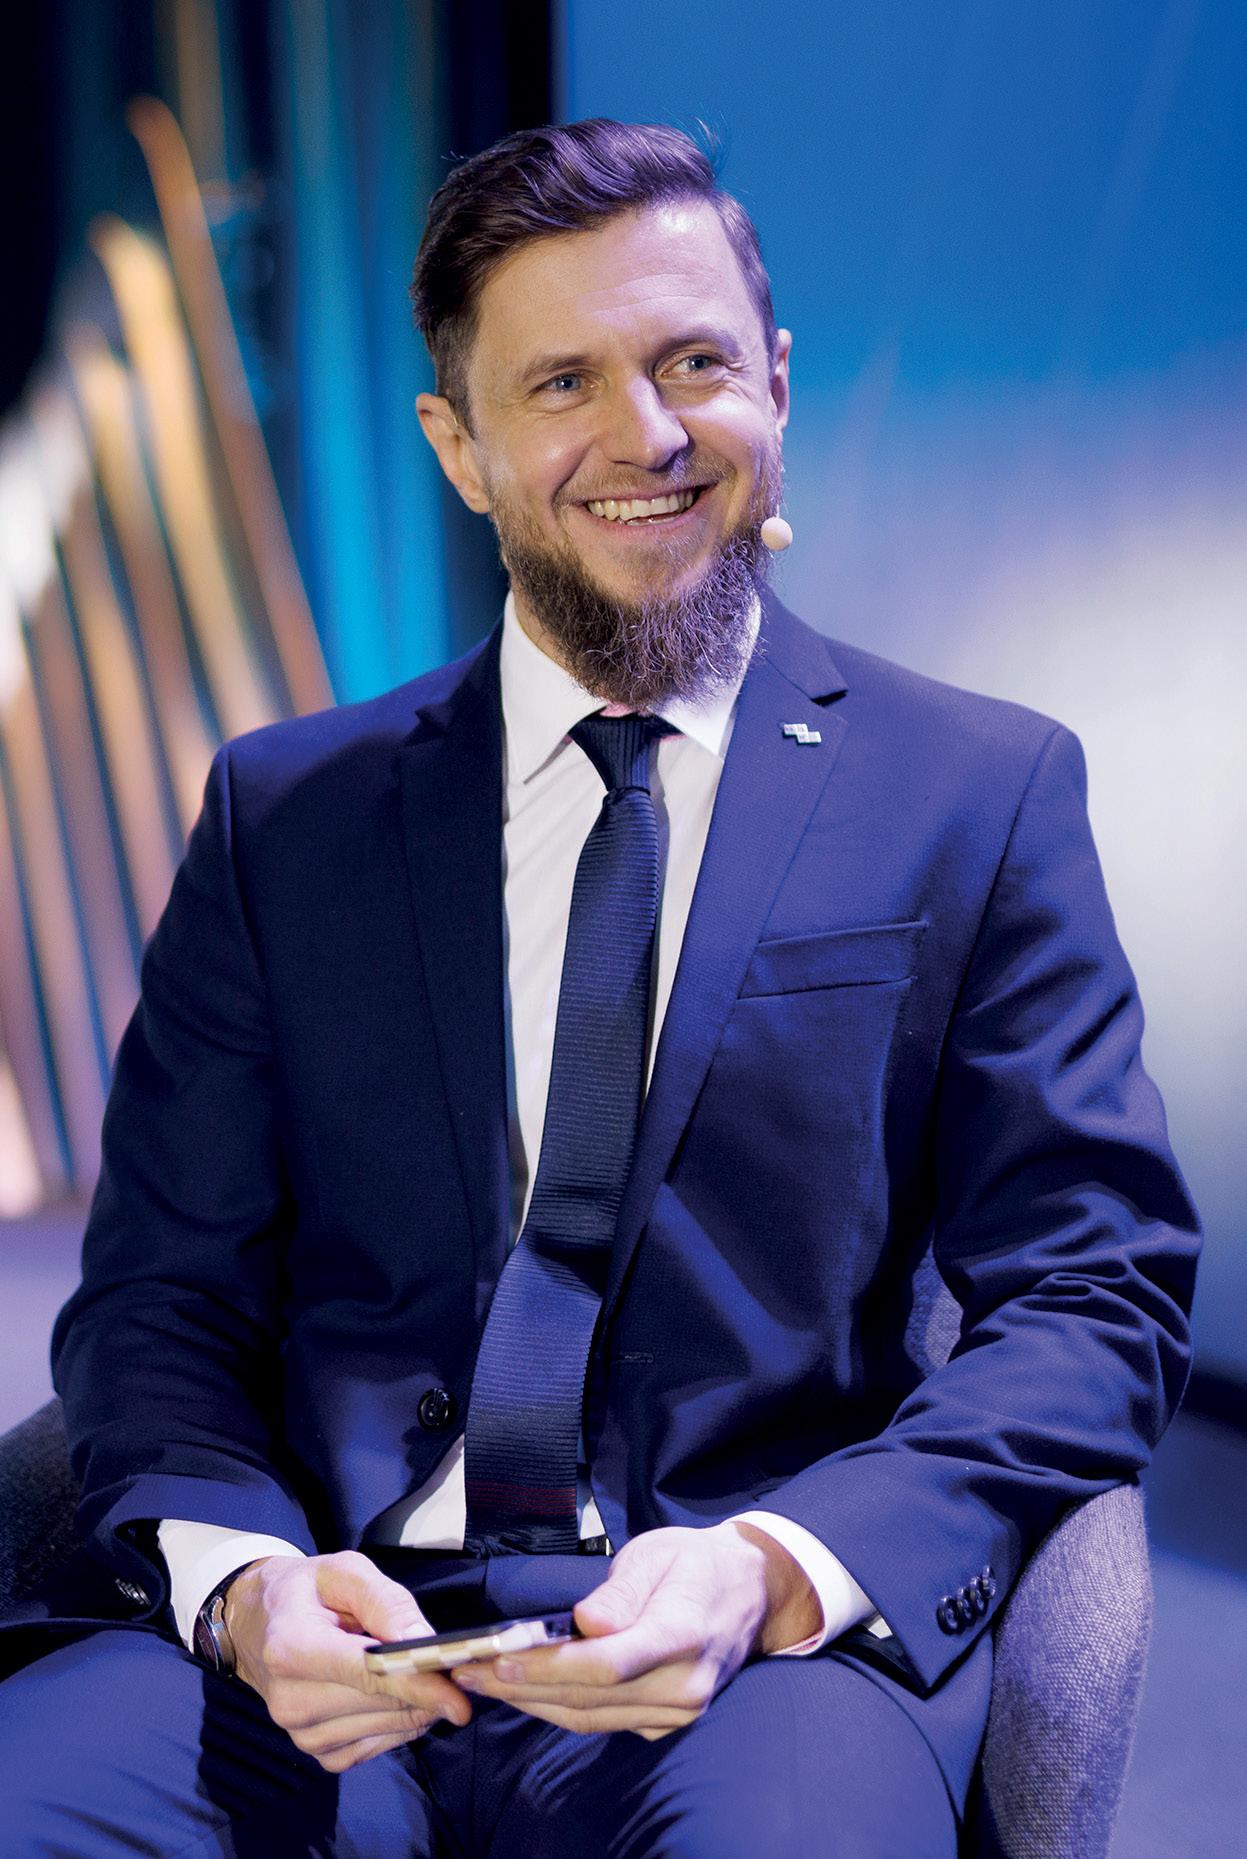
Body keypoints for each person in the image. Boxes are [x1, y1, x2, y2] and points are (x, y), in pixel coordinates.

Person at [0, 119, 1200, 1858]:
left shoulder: (977, 793)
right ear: (460, 447)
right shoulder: (286, 818)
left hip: (752, 1663)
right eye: (561, 382)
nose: (646, 435)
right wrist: (243, 1582)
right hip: (325, 1637)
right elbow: (157, 1299)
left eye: (694, 362)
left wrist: (777, 1569)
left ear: (775, 383)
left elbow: (1094, 1293)